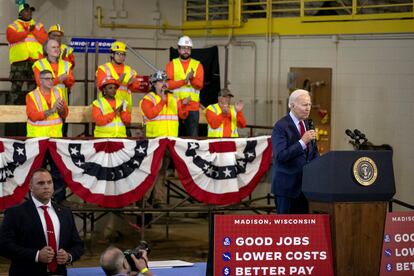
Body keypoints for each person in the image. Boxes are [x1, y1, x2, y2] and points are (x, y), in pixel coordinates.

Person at [0, 168, 84, 276]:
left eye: (49, 182)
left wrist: (69, 256)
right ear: (31, 187)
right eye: (41, 183)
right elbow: (4, 246)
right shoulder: (15, 213)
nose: (46, 186)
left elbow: (78, 245)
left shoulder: (65, 212)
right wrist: (36, 255)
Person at [140, 70, 189, 207]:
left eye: (165, 81)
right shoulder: (148, 99)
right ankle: (143, 200)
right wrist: (161, 102)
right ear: (153, 84)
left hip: (170, 141)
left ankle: (158, 200)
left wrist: (184, 105)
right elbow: (150, 114)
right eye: (161, 82)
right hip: (156, 141)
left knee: (162, 171)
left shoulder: (173, 98)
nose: (164, 84)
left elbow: (183, 115)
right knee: (153, 170)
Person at [271, 89, 319, 214]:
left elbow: (313, 153)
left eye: (309, 104)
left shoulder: (308, 124)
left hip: (306, 188)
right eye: (304, 105)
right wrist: (302, 142)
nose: (308, 108)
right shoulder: (280, 126)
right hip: (286, 189)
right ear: (292, 105)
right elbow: (280, 156)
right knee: (285, 229)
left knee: (302, 230)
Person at [26, 69, 68, 203]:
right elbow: (33, 116)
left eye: (52, 78)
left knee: (59, 173)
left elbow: (65, 114)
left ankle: (58, 201)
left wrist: (61, 110)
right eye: (48, 79)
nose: (51, 81)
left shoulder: (59, 92)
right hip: (38, 140)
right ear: (40, 80)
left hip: (55, 139)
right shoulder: (31, 95)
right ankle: (35, 201)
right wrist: (52, 110)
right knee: (35, 173)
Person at [5, 2, 47, 136]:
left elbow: (44, 39)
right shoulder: (13, 26)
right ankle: (9, 114)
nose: (29, 13)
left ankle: (33, 111)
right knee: (15, 88)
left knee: (33, 88)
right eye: (26, 11)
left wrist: (33, 30)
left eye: (30, 11)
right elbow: (11, 37)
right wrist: (27, 32)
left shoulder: (38, 26)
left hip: (34, 62)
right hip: (19, 61)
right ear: (20, 13)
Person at [166, 35, 204, 137]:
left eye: (188, 48)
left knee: (192, 139)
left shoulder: (197, 65)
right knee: (174, 137)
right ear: (178, 49)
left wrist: (191, 79)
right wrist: (184, 81)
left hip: (192, 107)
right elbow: (168, 85)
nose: (186, 51)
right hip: (176, 106)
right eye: (183, 48)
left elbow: (199, 85)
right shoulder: (171, 64)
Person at [96, 40, 141, 114]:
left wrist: (131, 85)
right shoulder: (103, 69)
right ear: (112, 55)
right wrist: (118, 82)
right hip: (107, 108)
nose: (121, 56)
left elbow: (136, 88)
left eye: (123, 54)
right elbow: (101, 86)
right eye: (118, 53)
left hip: (124, 108)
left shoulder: (131, 71)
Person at [33, 39, 75, 104]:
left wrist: (65, 80)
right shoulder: (39, 64)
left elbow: (71, 82)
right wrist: (59, 79)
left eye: (58, 47)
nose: (56, 49)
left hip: (61, 102)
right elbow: (40, 83)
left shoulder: (66, 64)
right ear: (46, 50)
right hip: (44, 101)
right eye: (53, 47)